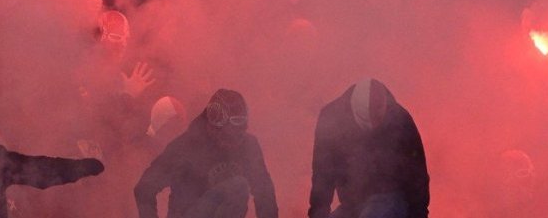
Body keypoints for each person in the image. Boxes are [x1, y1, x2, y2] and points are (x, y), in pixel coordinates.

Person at [134, 89, 278, 218]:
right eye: (229, 136)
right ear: (214, 124)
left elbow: (265, 195)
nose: (235, 142)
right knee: (237, 187)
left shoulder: (248, 146)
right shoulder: (185, 147)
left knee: (237, 187)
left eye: (239, 135)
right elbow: (144, 188)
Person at [307, 78, 429, 218]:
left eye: (378, 119)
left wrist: (419, 214)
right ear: (354, 110)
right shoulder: (331, 118)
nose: (373, 126)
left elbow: (417, 173)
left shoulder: (401, 120)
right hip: (351, 204)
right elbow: (323, 173)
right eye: (366, 121)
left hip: (392, 199)